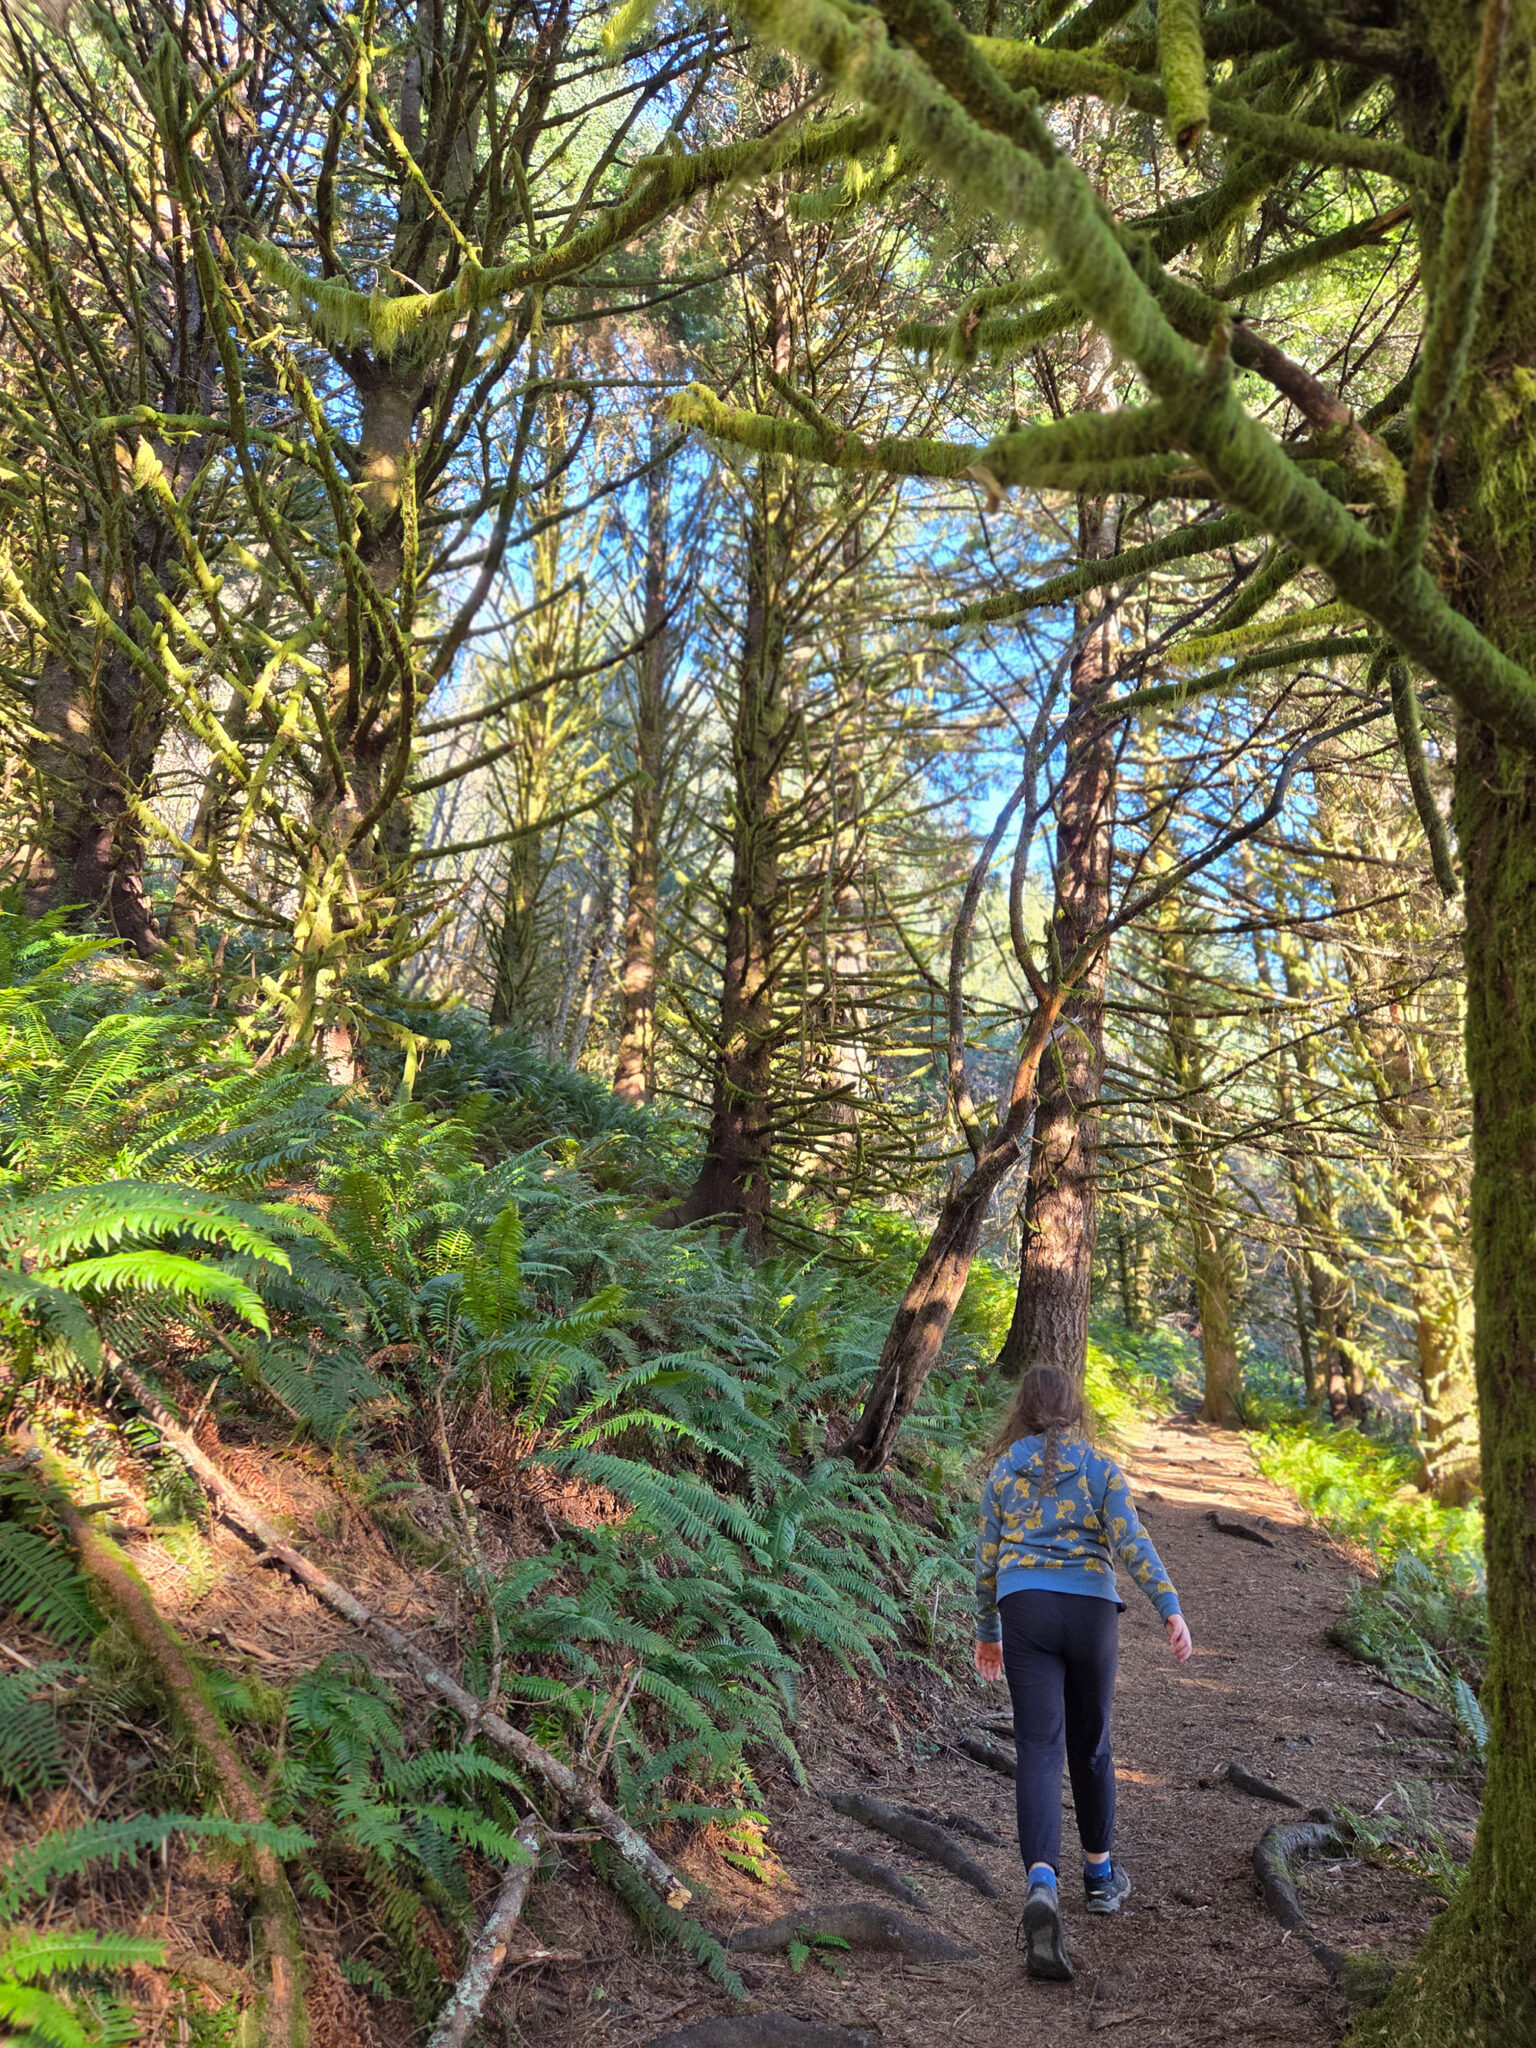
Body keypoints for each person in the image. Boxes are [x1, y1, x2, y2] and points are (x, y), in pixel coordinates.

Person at [973, 1363, 1193, 1982]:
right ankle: (1100, 1877)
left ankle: (1042, 1881)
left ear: (1022, 1408)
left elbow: (986, 1559)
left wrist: (987, 1633)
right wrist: (1169, 1609)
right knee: (1090, 1745)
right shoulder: (1099, 1468)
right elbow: (1132, 1541)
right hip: (1091, 1610)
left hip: (1025, 1610)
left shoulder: (1003, 1472)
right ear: (1074, 1409)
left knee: (1039, 1747)